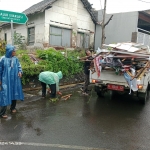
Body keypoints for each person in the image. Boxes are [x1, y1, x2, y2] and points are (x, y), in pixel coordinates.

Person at [0, 44, 24, 118]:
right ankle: (2, 113)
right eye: (14, 51)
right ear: (10, 51)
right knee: (5, 94)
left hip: (14, 80)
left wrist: (20, 72)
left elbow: (19, 67)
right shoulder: (3, 59)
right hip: (5, 81)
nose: (15, 52)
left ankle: (12, 108)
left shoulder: (15, 59)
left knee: (14, 93)